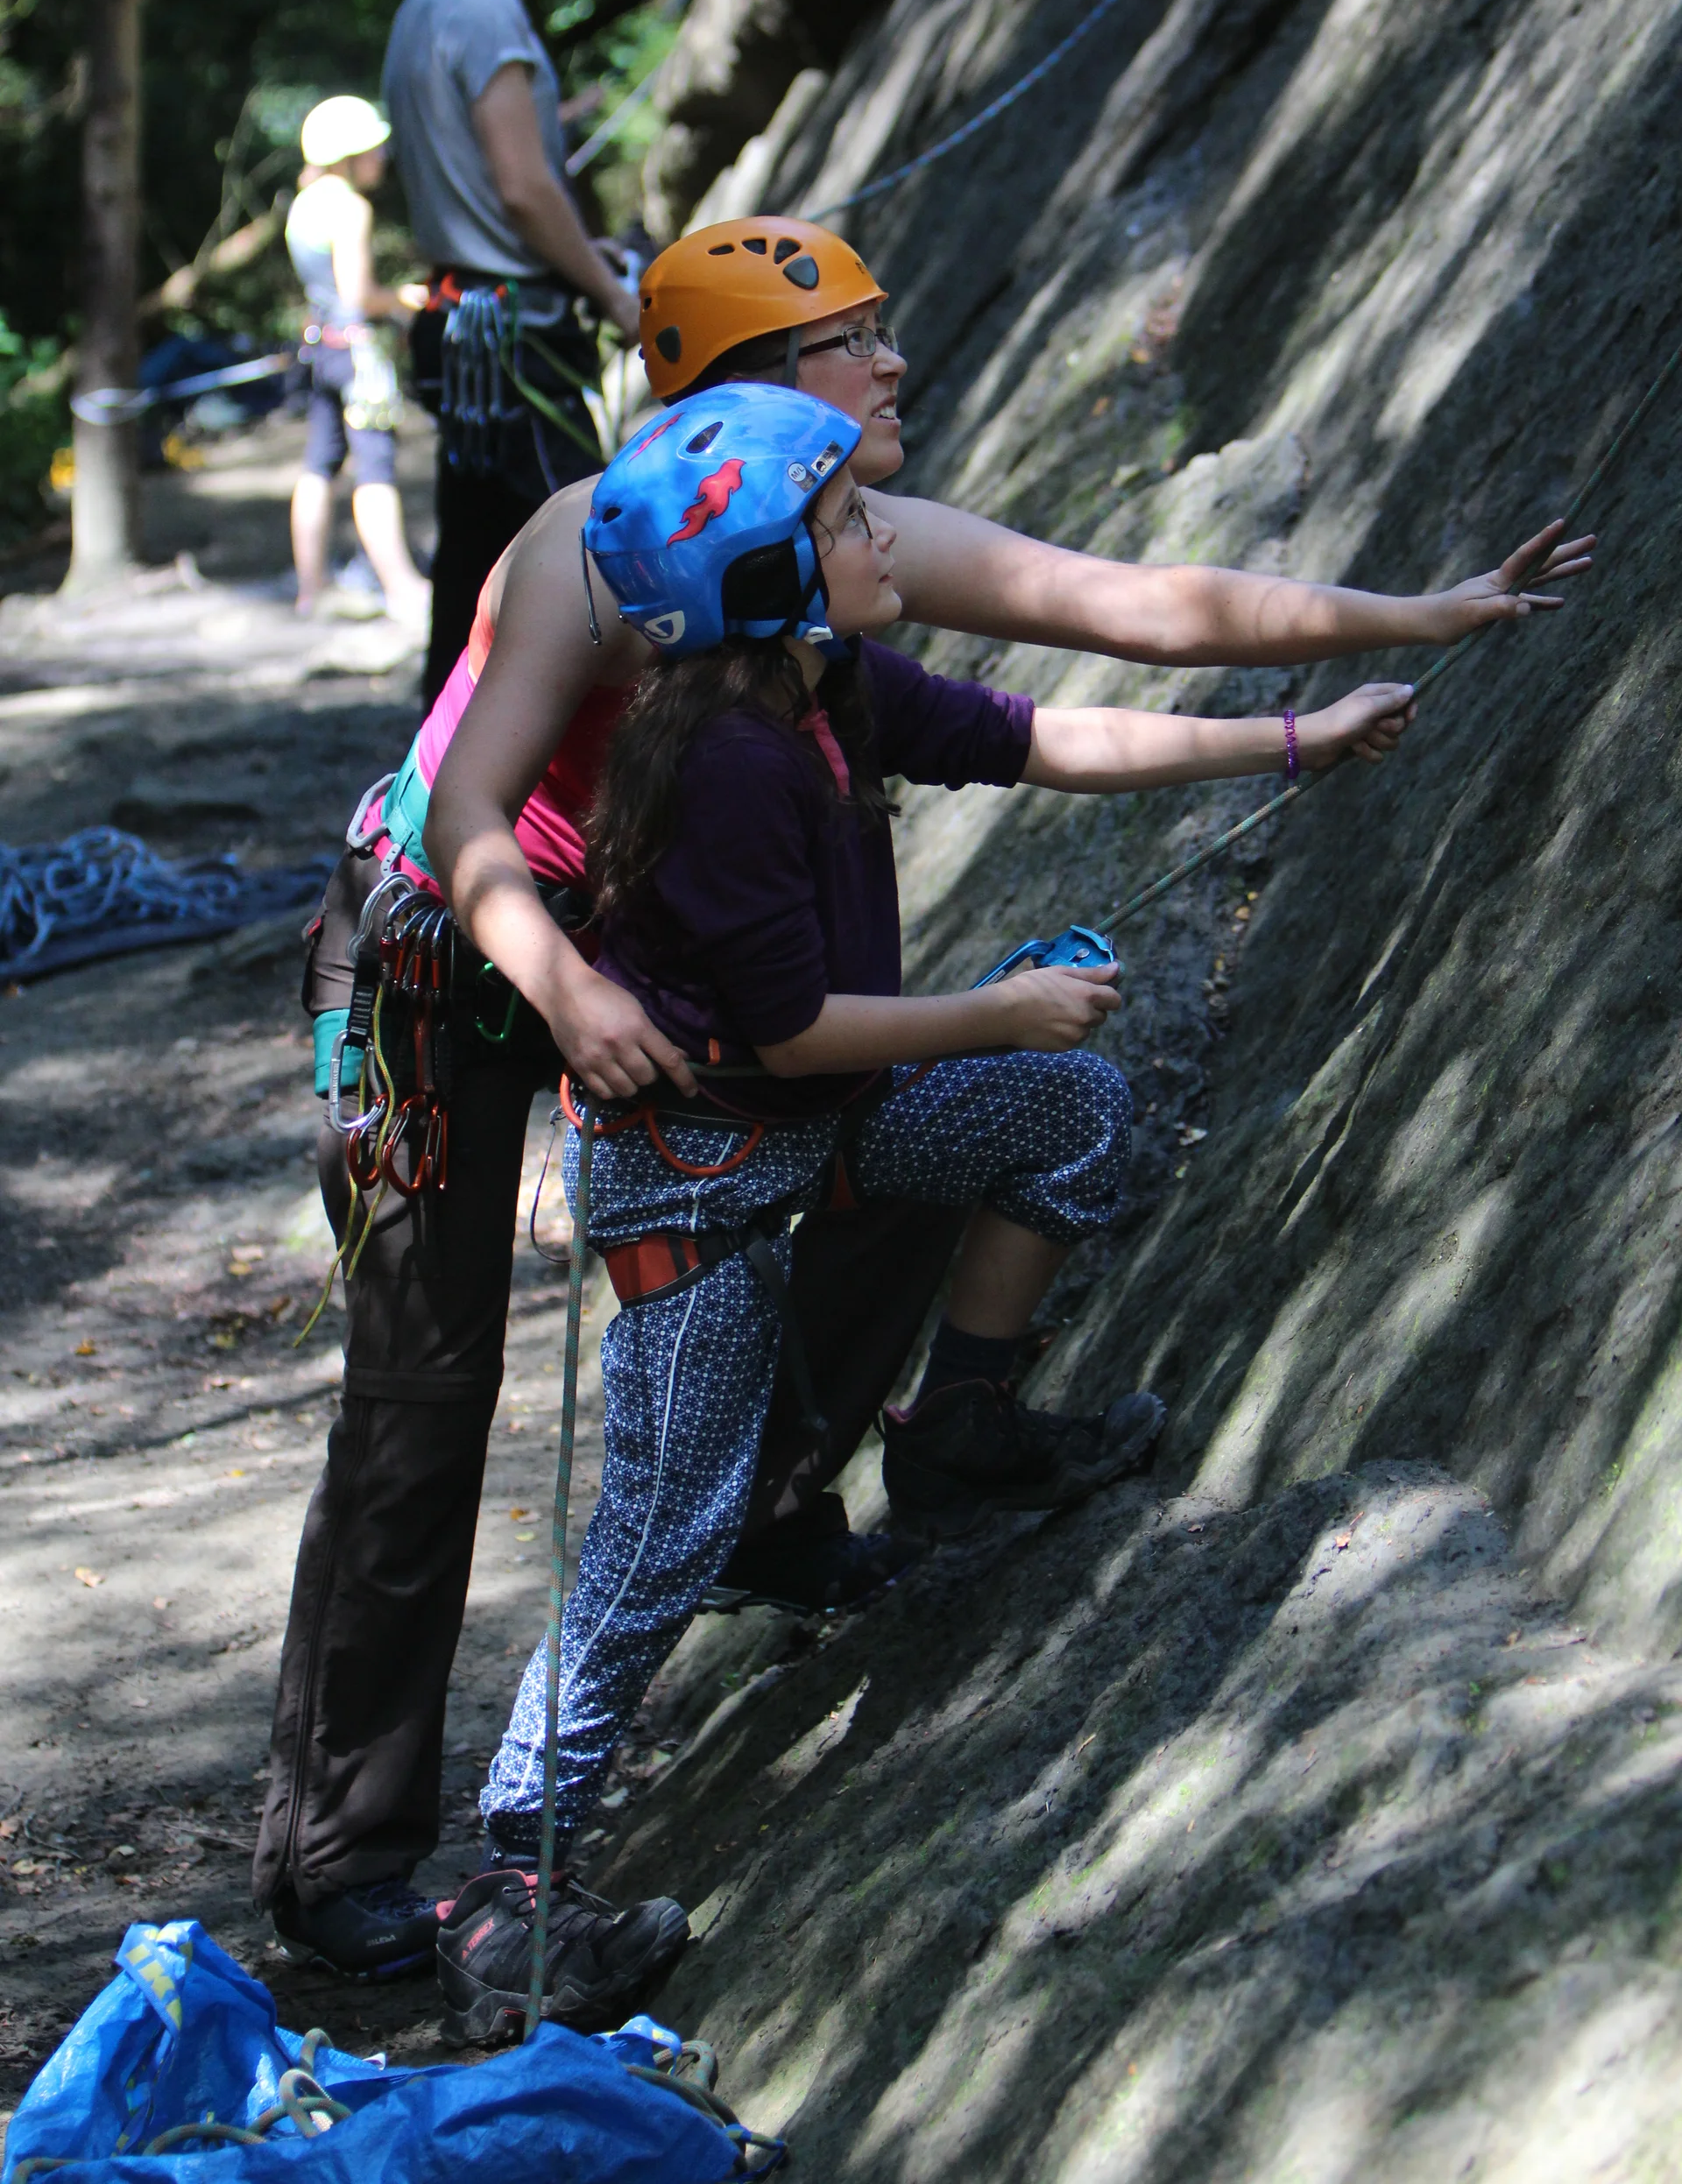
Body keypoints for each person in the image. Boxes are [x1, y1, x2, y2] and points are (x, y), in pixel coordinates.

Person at [253, 210, 1595, 1986]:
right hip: (447, 949)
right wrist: (568, 993)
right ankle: (350, 1856)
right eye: (854, 341)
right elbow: (465, 817)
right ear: (755, 385)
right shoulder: (617, 547)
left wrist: (1425, 616)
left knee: (873, 1127)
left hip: (661, 963)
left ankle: (779, 1504)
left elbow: (1133, 613)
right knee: (429, 1391)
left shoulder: (817, 550)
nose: (894, 363)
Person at [430, 378, 1421, 2036]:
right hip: (701, 1181)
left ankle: (961, 1425)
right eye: (842, 522)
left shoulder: (825, 683)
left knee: (1070, 1112)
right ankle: (512, 1881)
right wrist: (994, 1012)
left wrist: (1296, 741)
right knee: (666, 1531)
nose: (880, 535)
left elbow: (1039, 740)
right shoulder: (728, 759)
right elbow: (781, 1030)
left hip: (810, 1135)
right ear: (765, 578)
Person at [381, 0, 641, 706]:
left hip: (466, 330)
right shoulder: (485, 8)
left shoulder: (420, 8)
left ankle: (438, 764)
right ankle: (614, 769)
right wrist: (612, 292)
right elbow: (525, 188)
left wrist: (573, 250)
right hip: (517, 341)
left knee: (474, 570)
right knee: (591, 565)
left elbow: (485, 187)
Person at [284, 95, 431, 626]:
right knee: (375, 466)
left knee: (319, 464)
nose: (382, 155)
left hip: (320, 348)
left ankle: (310, 590)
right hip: (356, 354)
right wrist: (407, 297)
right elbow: (360, 295)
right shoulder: (350, 207)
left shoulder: (304, 204)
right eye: (373, 147)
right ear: (346, 157)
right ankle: (403, 588)